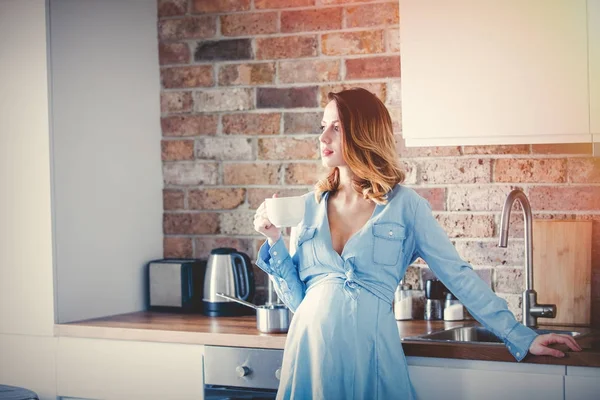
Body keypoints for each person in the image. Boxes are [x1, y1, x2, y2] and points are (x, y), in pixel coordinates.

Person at [252, 88, 581, 399]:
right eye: (323, 127)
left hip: (372, 356)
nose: (323, 137)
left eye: (336, 128)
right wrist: (275, 240)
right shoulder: (308, 206)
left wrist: (521, 335)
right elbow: (299, 302)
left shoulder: (405, 206)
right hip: (310, 357)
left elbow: (458, 275)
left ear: (364, 132)